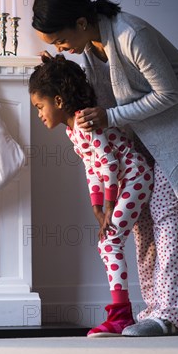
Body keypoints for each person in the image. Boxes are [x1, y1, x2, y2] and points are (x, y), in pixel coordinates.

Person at [32, 0, 178, 337]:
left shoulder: (131, 34)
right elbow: (100, 98)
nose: (62, 48)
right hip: (143, 129)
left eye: (60, 40)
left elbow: (169, 93)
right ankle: (152, 311)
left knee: (167, 218)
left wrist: (111, 119)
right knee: (143, 222)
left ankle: (171, 315)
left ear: (82, 22)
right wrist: (58, 75)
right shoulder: (88, 48)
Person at [29, 55, 154, 337]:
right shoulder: (73, 132)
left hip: (136, 177)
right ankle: (122, 314)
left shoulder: (86, 123)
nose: (39, 113)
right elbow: (92, 168)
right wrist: (97, 208)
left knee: (109, 241)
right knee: (108, 242)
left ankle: (121, 316)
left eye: (40, 106)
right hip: (121, 183)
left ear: (58, 101)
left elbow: (109, 164)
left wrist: (109, 205)